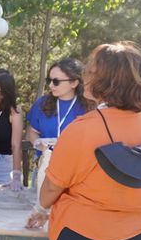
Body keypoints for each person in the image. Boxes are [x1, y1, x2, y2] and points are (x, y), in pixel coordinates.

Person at [26, 41, 141, 240]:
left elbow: (51, 189)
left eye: (92, 70)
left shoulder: (82, 130)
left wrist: (41, 206)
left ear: (105, 80)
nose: (87, 74)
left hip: (86, 236)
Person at [26, 58, 92, 187]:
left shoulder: (88, 107)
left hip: (75, 171)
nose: (50, 85)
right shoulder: (42, 103)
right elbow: (32, 131)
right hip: (44, 165)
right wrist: (38, 144)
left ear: (74, 83)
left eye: (56, 82)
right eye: (49, 81)